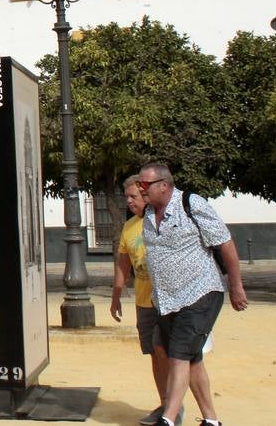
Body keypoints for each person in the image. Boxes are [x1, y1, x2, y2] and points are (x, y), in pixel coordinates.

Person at [139, 162, 247, 426]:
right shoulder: (148, 213)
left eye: (144, 185)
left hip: (200, 292)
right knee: (192, 358)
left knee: (178, 355)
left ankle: (168, 417)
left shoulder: (192, 204)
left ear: (164, 185)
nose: (141, 190)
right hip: (166, 299)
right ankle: (211, 420)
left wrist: (236, 285)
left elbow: (225, 242)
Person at [111, 175, 182, 426]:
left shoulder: (162, 220)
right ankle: (165, 403)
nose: (129, 201)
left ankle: (174, 407)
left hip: (167, 300)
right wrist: (116, 296)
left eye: (133, 196)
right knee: (154, 353)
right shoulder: (129, 227)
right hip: (143, 303)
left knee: (167, 351)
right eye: (127, 197)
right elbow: (123, 264)